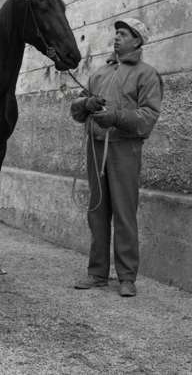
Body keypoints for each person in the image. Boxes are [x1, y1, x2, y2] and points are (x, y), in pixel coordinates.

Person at [70, 18, 163, 297]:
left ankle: (127, 277)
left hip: (125, 150)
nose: (117, 37)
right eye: (117, 33)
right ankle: (97, 273)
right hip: (96, 148)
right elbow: (76, 112)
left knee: (124, 213)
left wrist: (116, 117)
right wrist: (85, 104)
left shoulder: (147, 75)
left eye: (123, 33)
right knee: (97, 211)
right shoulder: (99, 74)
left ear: (137, 40)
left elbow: (148, 117)